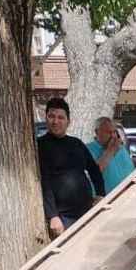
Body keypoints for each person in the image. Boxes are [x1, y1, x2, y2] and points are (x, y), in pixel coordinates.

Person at [37, 98, 105, 237]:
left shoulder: (76, 144)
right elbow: (44, 182)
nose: (55, 121)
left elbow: (94, 170)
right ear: (46, 118)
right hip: (63, 219)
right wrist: (53, 216)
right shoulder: (40, 146)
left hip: (87, 211)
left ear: (68, 121)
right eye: (51, 116)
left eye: (61, 117)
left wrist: (100, 194)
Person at [87, 117, 135, 191]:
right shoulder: (88, 150)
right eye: (108, 132)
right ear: (97, 132)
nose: (113, 136)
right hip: (103, 200)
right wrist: (110, 151)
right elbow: (91, 175)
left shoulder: (121, 149)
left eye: (114, 132)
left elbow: (131, 171)